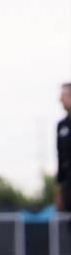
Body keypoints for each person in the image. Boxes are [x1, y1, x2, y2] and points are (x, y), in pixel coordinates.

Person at [56, 82, 71, 234]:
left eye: (63, 95)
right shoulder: (61, 126)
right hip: (68, 186)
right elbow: (60, 159)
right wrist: (59, 191)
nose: (60, 99)